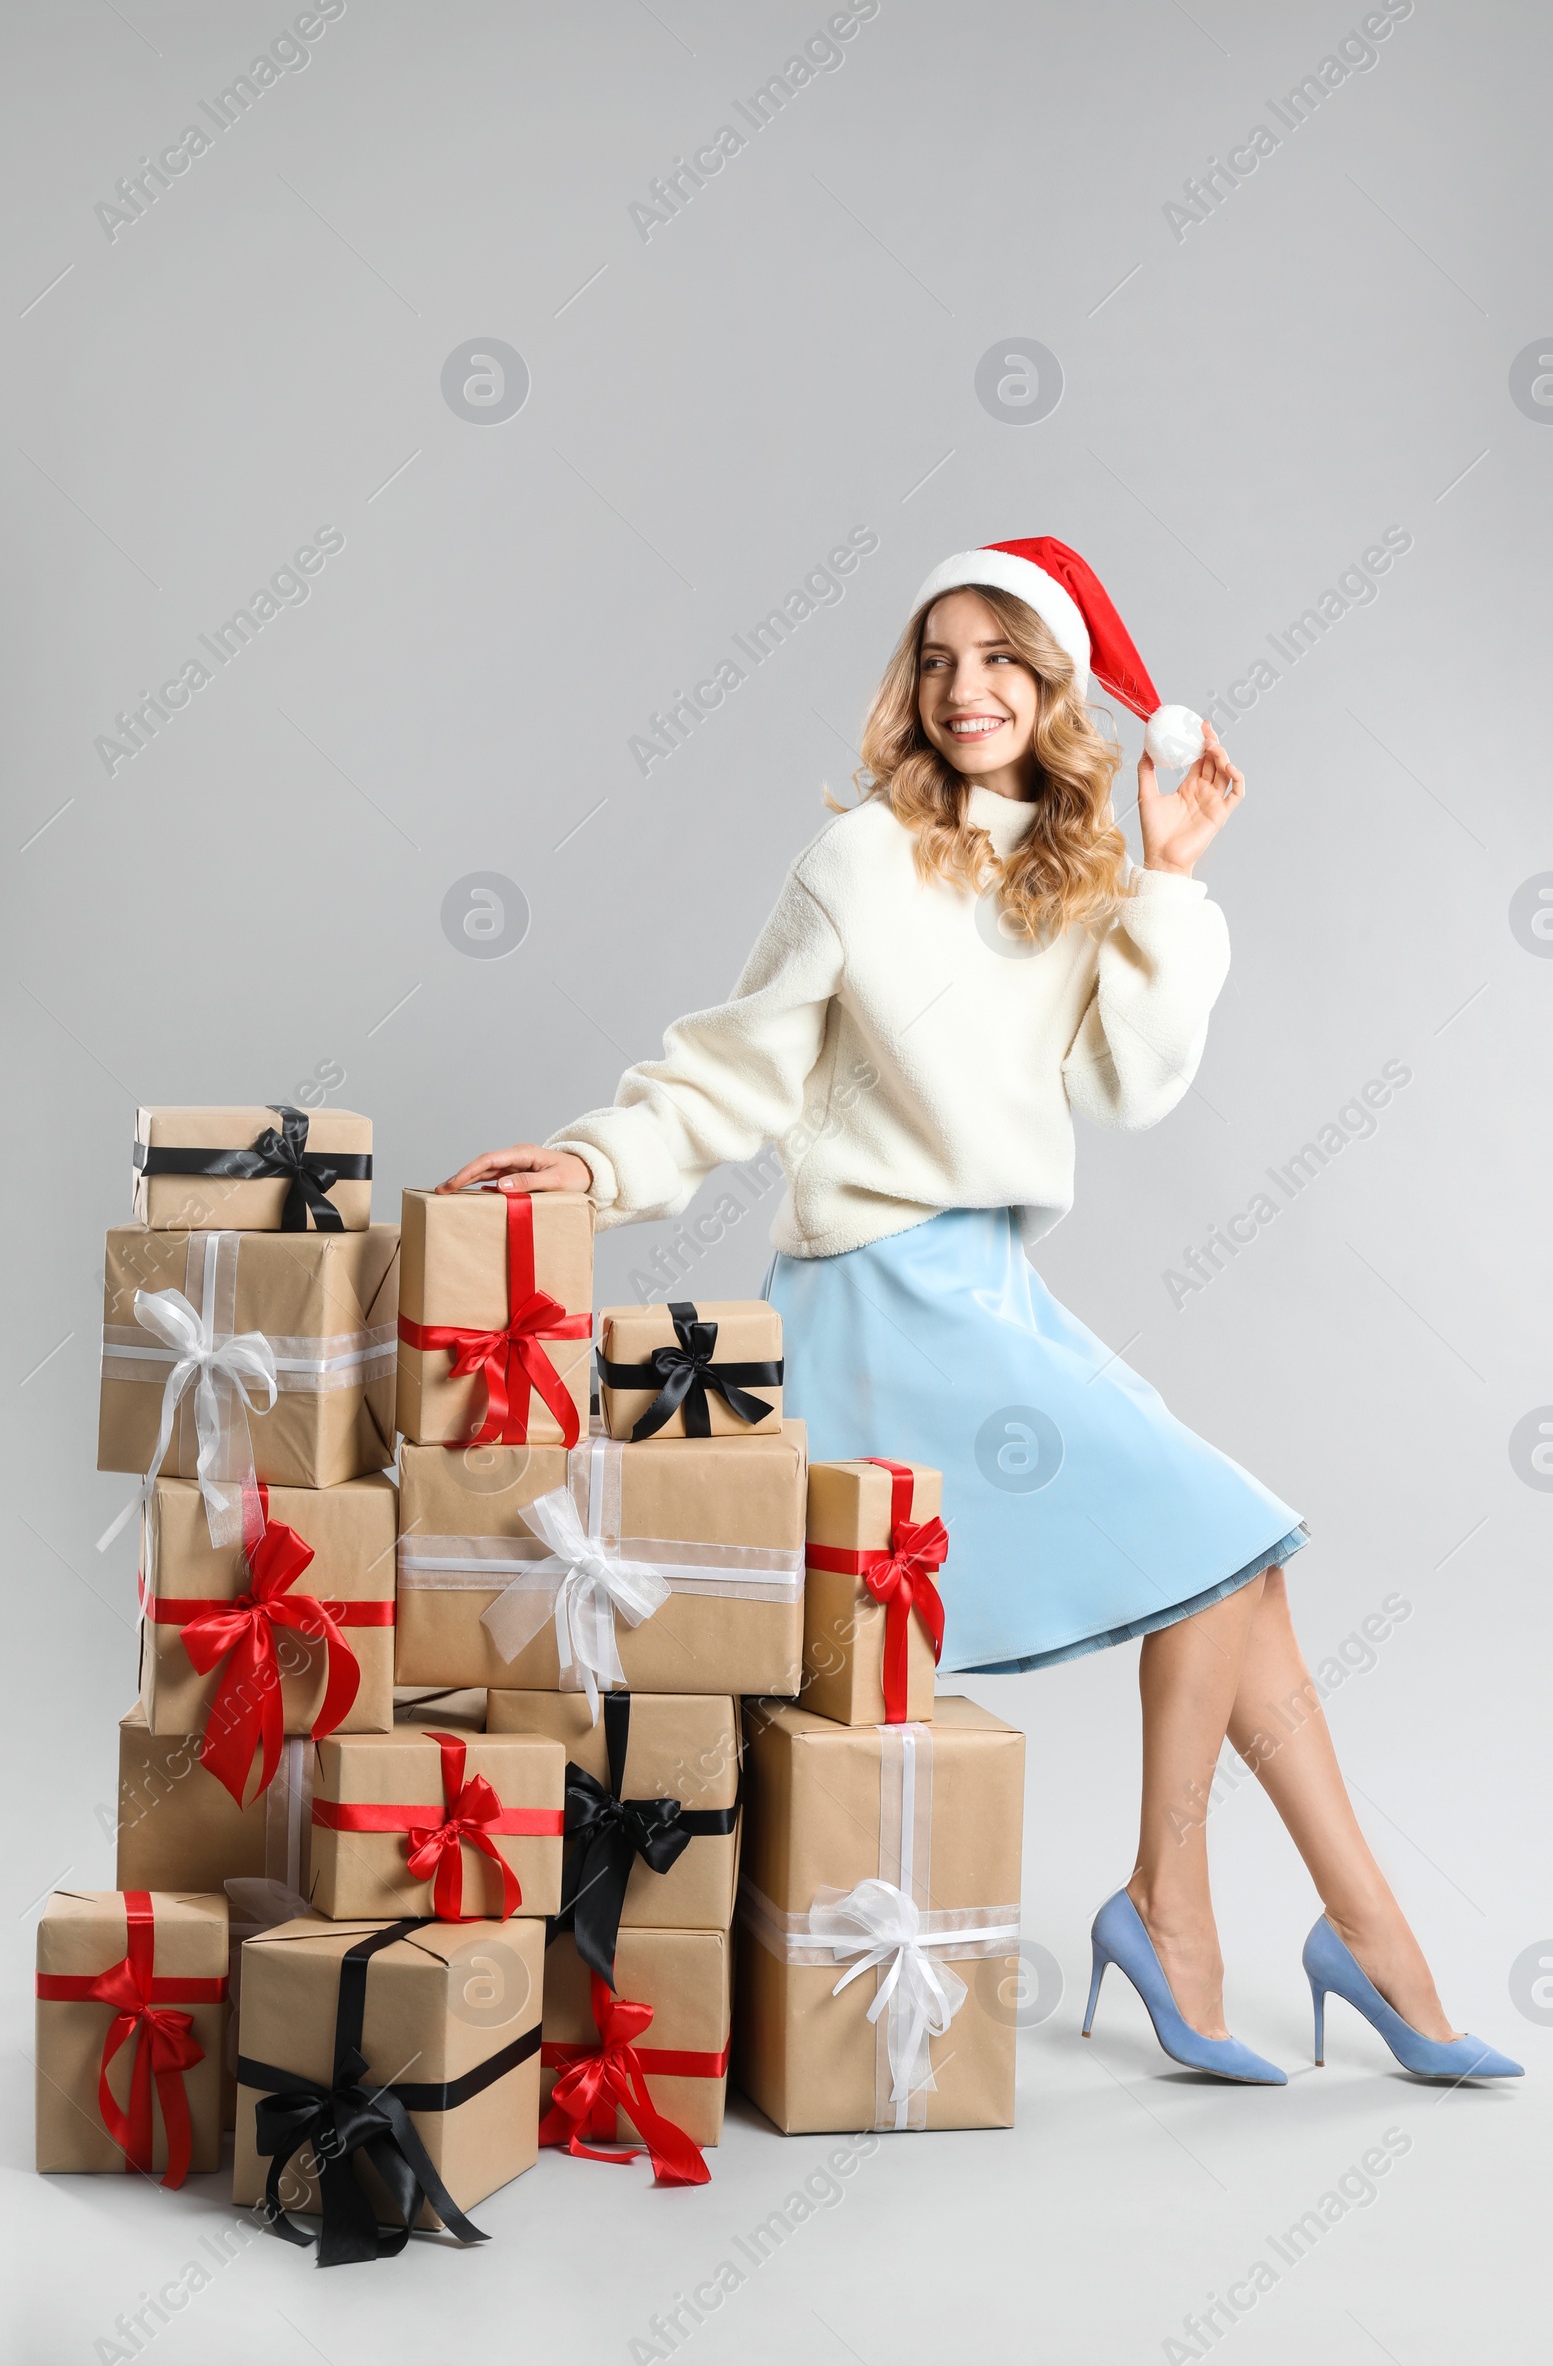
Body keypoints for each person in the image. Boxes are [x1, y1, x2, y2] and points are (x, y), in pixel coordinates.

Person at [440, 536, 1520, 2085]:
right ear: (911, 684)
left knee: (1244, 1570)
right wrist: (594, 1161)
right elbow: (732, 1071)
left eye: (1003, 655)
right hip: (879, 1308)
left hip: (989, 1292)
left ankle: (1330, 1931)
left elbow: (1130, 1084)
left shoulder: (1068, 877)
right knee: (1222, 1546)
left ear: (1055, 682)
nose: (967, 688)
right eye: (939, 658)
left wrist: (1166, 877)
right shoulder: (859, 861)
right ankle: (1212, 1920)